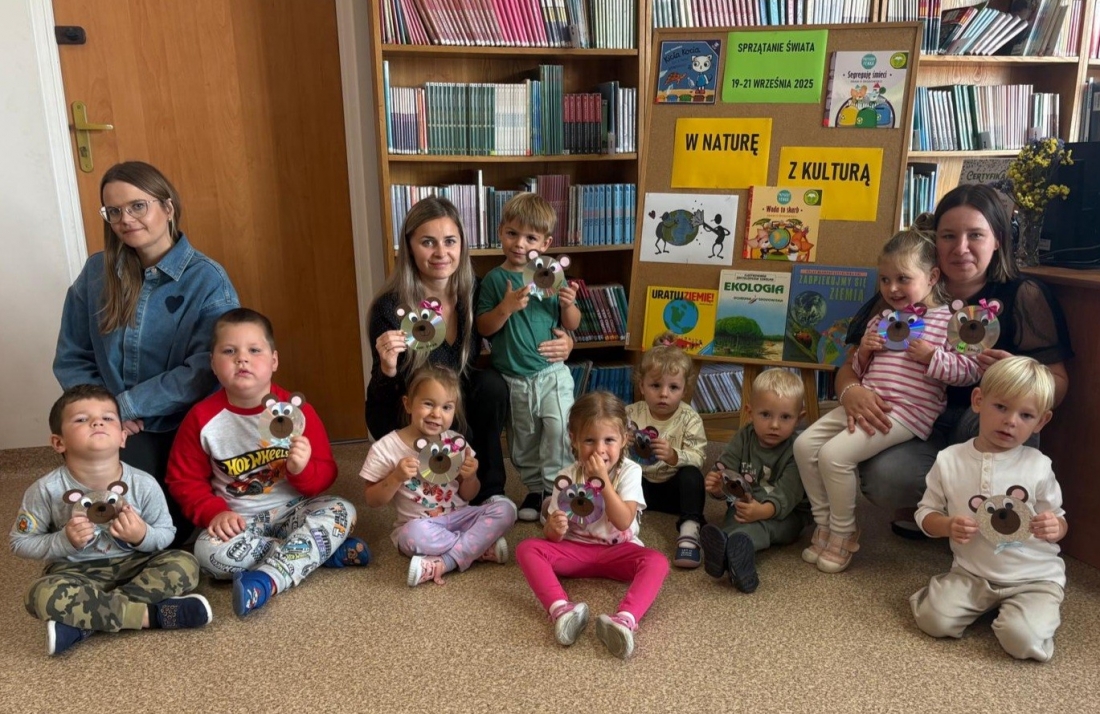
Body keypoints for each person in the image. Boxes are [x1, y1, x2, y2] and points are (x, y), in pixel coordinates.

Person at [836, 185, 1072, 537]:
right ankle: (935, 509)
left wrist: (1020, 375)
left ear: (998, 240)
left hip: (978, 423)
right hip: (913, 420)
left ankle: (985, 518)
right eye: (948, 236)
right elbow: (851, 364)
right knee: (884, 479)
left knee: (1015, 421)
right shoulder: (905, 287)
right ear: (935, 242)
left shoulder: (1023, 295)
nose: (961, 248)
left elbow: (1058, 383)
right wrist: (850, 392)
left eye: (975, 235)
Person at [53, 161, 239, 546]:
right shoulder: (96, 272)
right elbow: (72, 355)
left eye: (138, 206)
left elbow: (204, 369)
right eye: (114, 211)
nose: (126, 219)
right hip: (117, 422)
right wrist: (106, 413)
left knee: (168, 531)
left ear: (167, 207)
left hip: (182, 423)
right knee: (102, 525)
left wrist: (128, 406)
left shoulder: (207, 279)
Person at [794, 227, 983, 573]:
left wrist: (932, 357)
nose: (892, 288)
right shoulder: (882, 320)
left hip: (907, 412)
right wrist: (864, 353)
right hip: (870, 400)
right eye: (885, 279)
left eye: (903, 278)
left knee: (835, 456)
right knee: (804, 445)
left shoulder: (950, 321)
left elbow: (969, 371)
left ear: (932, 277)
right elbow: (859, 371)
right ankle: (824, 525)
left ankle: (843, 533)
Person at [366, 195, 574, 506]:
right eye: (427, 242)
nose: (441, 253)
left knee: (491, 384)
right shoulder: (389, 308)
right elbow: (380, 400)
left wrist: (567, 341)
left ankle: (490, 492)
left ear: (462, 245)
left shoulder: (476, 290)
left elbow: (524, 323)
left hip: (456, 402)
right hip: (410, 409)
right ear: (409, 246)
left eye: (450, 241)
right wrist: (388, 367)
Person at [165, 308, 369, 618]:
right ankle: (318, 551)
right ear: (213, 364)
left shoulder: (298, 413)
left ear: (274, 360)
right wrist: (214, 512)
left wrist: (302, 470)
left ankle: (267, 581)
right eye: (229, 351)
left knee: (343, 510)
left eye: (254, 350)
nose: (242, 359)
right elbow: (183, 480)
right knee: (206, 554)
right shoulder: (202, 419)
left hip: (295, 510)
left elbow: (327, 471)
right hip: (240, 522)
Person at [11, 385, 212, 656]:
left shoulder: (143, 483)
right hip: (75, 573)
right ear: (59, 442)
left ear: (122, 436)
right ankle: (151, 616)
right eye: (81, 419)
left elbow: (166, 533)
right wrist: (63, 540)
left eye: (107, 418)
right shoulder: (45, 489)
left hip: (136, 565)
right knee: (40, 594)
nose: (97, 422)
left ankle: (86, 624)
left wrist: (142, 535)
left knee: (185, 564)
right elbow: (20, 542)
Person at [910, 357, 1066, 662]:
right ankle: (953, 598)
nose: (1011, 421)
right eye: (1001, 407)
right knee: (933, 621)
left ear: (1041, 421)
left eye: (1026, 415)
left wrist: (1055, 527)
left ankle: (1032, 611)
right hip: (972, 573)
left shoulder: (1038, 465)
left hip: (1034, 578)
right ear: (978, 401)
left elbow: (1059, 521)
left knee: (1022, 641)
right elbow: (925, 513)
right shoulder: (948, 460)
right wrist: (946, 525)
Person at [515, 391, 670, 660]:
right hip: (576, 551)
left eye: (609, 440)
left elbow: (623, 520)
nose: (599, 449)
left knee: (657, 562)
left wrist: (603, 482)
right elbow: (551, 536)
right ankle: (562, 610)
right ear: (573, 440)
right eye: (589, 440)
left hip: (618, 550)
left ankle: (625, 620)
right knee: (527, 548)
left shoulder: (630, 471)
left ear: (624, 439)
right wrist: (554, 528)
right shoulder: (566, 476)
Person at [360, 364, 517, 586]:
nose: (436, 413)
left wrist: (471, 477)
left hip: (461, 518)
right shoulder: (386, 448)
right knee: (411, 536)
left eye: (446, 407)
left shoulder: (456, 442)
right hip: (422, 525)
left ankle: (446, 561)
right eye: (428, 404)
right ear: (408, 404)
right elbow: (371, 499)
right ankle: (478, 547)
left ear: (455, 411)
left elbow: (469, 495)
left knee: (507, 509)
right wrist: (395, 478)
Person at [476, 193, 581, 521]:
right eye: (512, 233)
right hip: (514, 379)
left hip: (551, 374)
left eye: (531, 238)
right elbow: (483, 327)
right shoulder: (494, 279)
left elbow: (572, 323)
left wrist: (568, 305)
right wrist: (505, 308)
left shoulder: (552, 274)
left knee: (558, 431)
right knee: (522, 441)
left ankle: (555, 491)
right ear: (500, 232)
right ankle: (535, 490)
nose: (520, 244)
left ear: (545, 242)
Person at [699, 369, 809, 593]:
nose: (774, 425)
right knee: (735, 516)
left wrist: (763, 511)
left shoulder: (798, 449)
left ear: (799, 418)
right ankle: (728, 551)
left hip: (786, 513)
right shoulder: (744, 436)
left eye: (785, 417)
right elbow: (726, 471)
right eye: (766, 415)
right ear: (750, 413)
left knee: (762, 527)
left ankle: (735, 550)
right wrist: (718, 488)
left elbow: (787, 494)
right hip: (746, 504)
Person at [625, 333, 708, 568]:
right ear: (641, 386)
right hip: (639, 489)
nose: (664, 394)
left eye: (673, 387)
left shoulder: (690, 418)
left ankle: (689, 530)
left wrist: (674, 456)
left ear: (684, 390)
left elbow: (699, 457)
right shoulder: (630, 414)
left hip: (675, 492)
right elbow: (609, 452)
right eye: (655, 385)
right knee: (617, 471)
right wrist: (621, 444)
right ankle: (623, 528)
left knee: (693, 476)